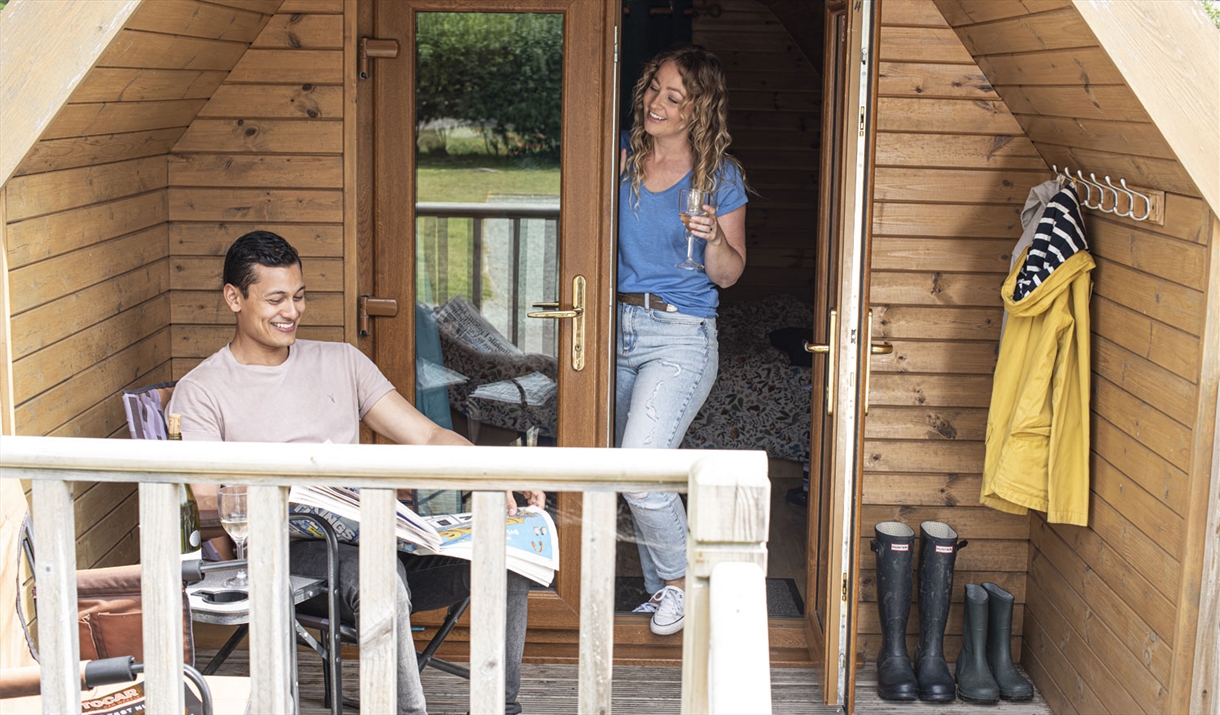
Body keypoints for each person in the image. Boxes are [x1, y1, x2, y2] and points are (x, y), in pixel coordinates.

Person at [168, 230, 542, 715]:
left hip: (382, 535)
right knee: (381, 579)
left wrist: (491, 470)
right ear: (234, 298)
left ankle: (500, 707)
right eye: (276, 299)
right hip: (292, 555)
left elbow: (426, 436)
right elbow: (205, 503)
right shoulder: (202, 390)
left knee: (506, 556)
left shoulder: (341, 361)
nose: (292, 311)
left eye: (299, 297)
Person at [615, 46, 748, 636]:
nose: (656, 104)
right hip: (611, 325)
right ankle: (660, 586)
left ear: (698, 110)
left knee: (641, 468)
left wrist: (715, 233)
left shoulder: (720, 176)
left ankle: (684, 583)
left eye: (674, 97)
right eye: (653, 90)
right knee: (636, 471)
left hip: (680, 333)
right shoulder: (620, 154)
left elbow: (727, 274)